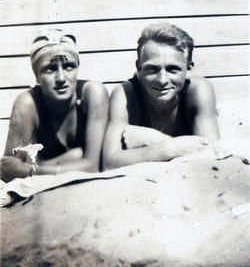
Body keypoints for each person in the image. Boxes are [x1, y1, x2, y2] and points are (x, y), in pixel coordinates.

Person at [103, 22, 220, 169]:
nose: (162, 80)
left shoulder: (198, 91)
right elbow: (110, 162)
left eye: (173, 69)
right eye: (152, 69)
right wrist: (168, 147)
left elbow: (211, 157)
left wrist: (148, 142)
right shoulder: (125, 94)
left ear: (188, 69)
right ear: (139, 68)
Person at [1, 29, 109, 182]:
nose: (61, 78)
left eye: (69, 66)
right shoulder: (28, 103)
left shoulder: (92, 94)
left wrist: (32, 169)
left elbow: (93, 167)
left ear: (78, 67)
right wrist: (75, 157)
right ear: (37, 76)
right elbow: (8, 170)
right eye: (50, 69)